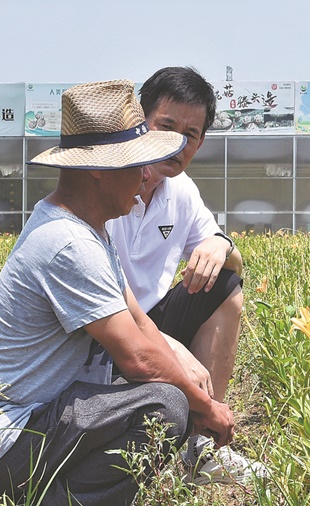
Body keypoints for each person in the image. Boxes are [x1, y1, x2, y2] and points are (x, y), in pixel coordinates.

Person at [0, 80, 235, 505]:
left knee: (169, 395)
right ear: (98, 168)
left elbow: (140, 319)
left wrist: (192, 381)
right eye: (138, 163)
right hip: (13, 438)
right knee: (163, 407)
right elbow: (138, 358)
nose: (147, 175)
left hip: (44, 413)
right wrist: (205, 406)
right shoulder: (70, 244)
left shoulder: (88, 228)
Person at [105, 66, 256, 484]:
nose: (177, 143)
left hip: (146, 321)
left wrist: (221, 244)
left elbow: (232, 264)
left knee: (224, 284)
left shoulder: (181, 190)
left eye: (190, 134)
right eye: (165, 126)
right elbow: (96, 295)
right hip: (97, 330)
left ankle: (200, 449)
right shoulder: (107, 182)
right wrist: (169, 347)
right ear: (141, 121)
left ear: (202, 141)